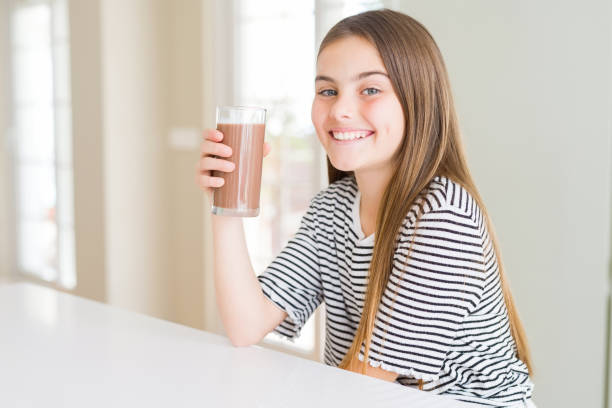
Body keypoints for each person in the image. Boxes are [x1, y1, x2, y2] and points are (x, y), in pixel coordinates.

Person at [195, 9, 535, 408]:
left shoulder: (443, 214)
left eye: (370, 90)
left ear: (417, 100)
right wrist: (224, 204)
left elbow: (365, 384)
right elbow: (245, 324)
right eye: (327, 90)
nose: (340, 110)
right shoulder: (332, 210)